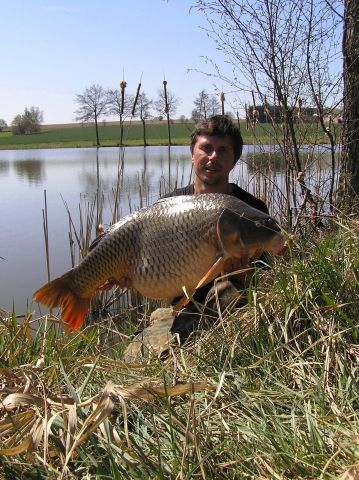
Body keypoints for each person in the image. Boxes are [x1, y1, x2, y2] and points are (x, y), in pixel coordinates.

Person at [123, 115, 273, 362]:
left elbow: (265, 276)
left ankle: (212, 348)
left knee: (228, 293)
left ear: (234, 159)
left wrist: (244, 273)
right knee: (133, 359)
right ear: (193, 154)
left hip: (232, 306)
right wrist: (131, 274)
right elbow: (149, 263)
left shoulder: (252, 209)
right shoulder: (168, 206)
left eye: (223, 150)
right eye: (206, 148)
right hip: (180, 306)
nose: (213, 156)